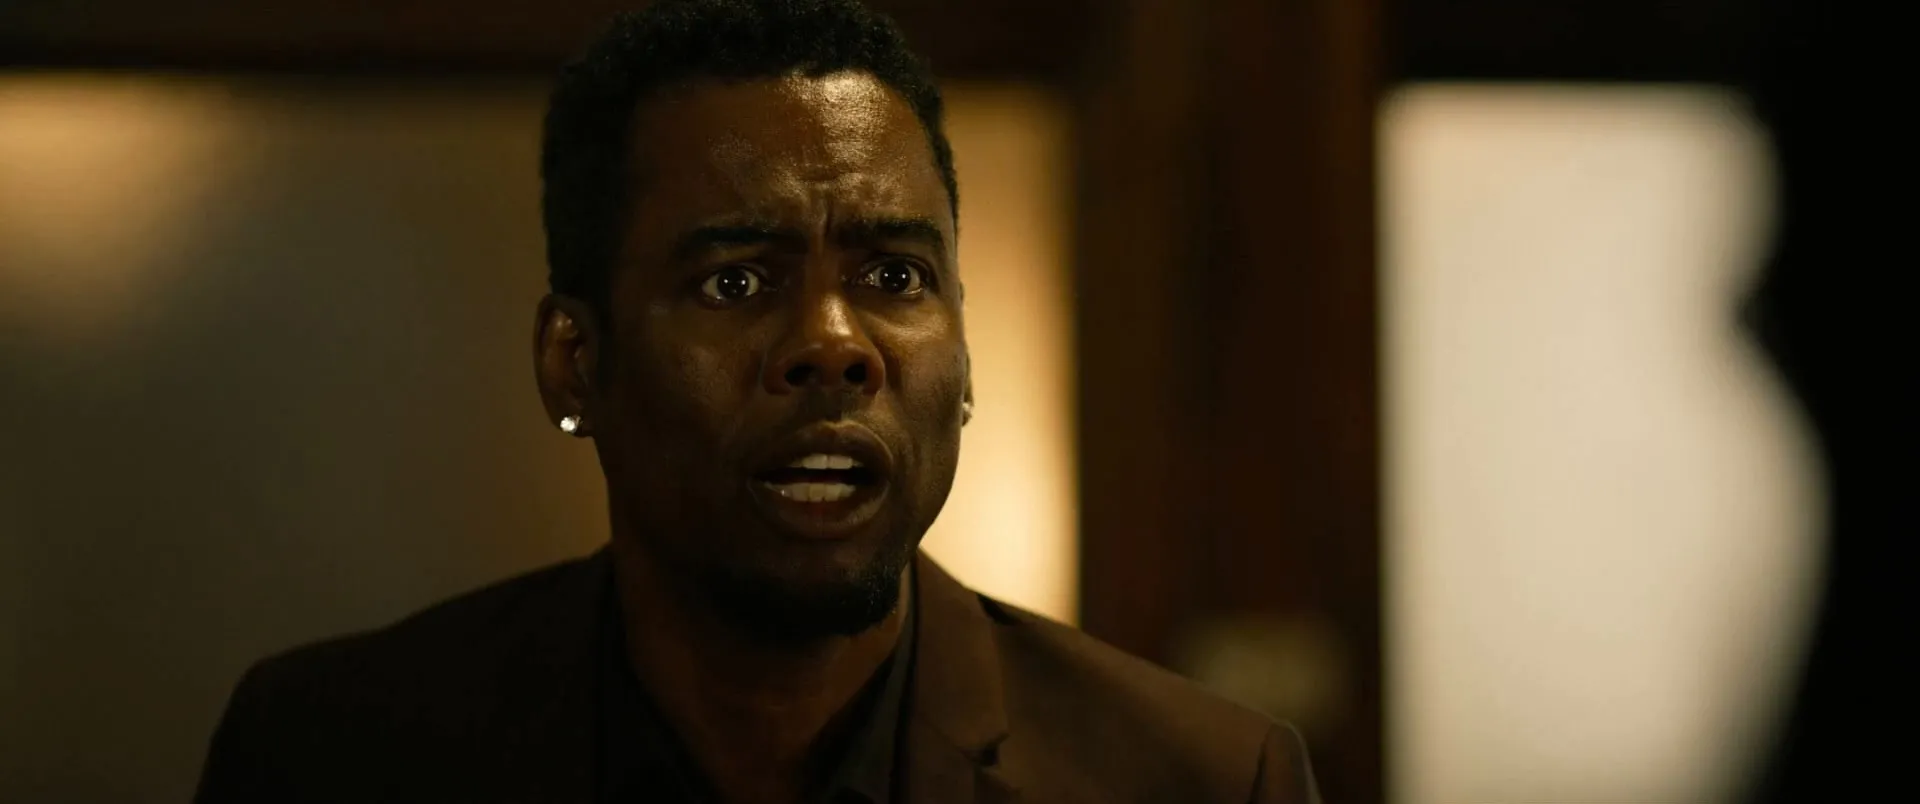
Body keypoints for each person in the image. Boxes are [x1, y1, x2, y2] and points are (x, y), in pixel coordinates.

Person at [192, 1, 1320, 801]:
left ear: (967, 359)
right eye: (735, 281)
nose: (834, 347)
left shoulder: (1199, 782)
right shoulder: (334, 754)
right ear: (574, 361)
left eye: (894, 278)